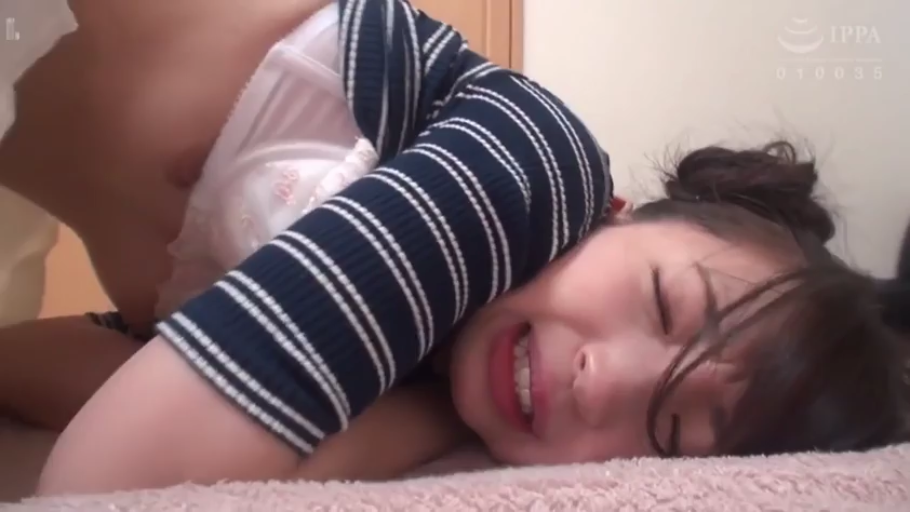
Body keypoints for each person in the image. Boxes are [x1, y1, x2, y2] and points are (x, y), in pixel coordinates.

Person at [2, 0, 907, 497]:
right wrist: (422, 423)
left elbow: (42, 376)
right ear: (622, 214)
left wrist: (430, 416)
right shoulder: (534, 167)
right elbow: (107, 484)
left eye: (663, 433)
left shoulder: (424, 358)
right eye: (666, 304)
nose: (601, 380)